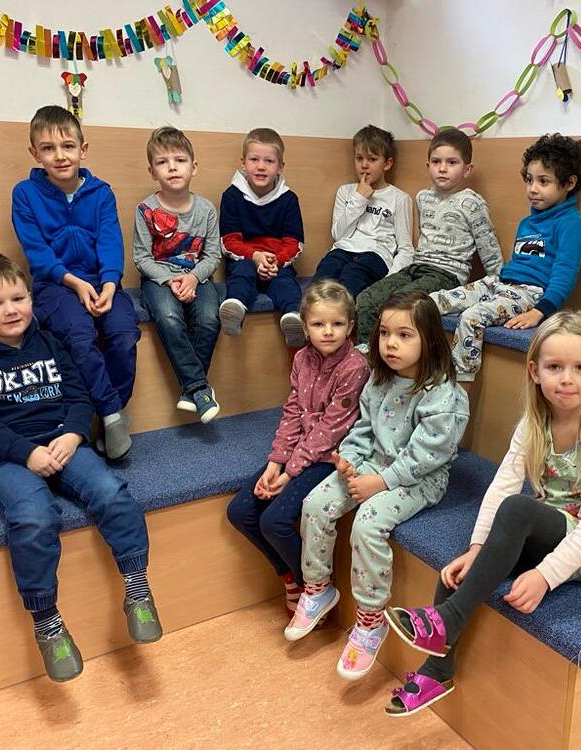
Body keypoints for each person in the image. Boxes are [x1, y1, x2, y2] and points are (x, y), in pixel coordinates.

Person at [383, 311, 581, 715]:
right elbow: (503, 483)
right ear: (535, 371)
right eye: (555, 367)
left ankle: (446, 620)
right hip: (546, 527)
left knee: (518, 509)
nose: (567, 379)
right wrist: (476, 549)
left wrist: (545, 576)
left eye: (579, 368)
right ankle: (437, 670)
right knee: (457, 574)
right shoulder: (535, 422)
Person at [0, 250, 161, 683]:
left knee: (111, 492)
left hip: (62, 442)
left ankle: (138, 590)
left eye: (18, 298)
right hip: (6, 456)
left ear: (31, 298)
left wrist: (73, 434)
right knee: (33, 516)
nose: (11, 310)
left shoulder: (49, 342)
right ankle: (47, 624)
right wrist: (26, 453)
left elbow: (79, 397)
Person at [284, 292, 470, 682]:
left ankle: (371, 620)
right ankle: (317, 588)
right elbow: (363, 430)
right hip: (374, 463)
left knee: (368, 523)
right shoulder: (379, 380)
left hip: (419, 479)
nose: (390, 344)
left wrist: (380, 483)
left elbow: (426, 456)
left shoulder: (444, 395)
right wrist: (349, 458)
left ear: (429, 339)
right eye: (384, 333)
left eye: (404, 335)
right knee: (315, 503)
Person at [226, 279, 369, 616]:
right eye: (318, 324)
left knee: (274, 521)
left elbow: (329, 431)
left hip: (329, 457)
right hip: (298, 454)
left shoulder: (355, 367)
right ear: (305, 327)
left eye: (337, 324)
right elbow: (292, 412)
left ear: (350, 326)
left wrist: (288, 475)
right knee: (240, 511)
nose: (328, 332)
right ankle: (291, 576)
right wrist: (275, 463)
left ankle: (316, 587)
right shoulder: (303, 358)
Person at [12, 105, 139, 460]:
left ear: (83, 149)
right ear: (34, 153)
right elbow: (36, 251)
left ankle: (113, 413)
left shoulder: (101, 193)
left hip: (102, 280)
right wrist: (74, 283)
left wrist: (110, 284)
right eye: (48, 148)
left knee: (124, 334)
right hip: (55, 284)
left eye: (68, 146)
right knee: (80, 337)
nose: (60, 156)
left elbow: (111, 241)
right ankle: (111, 415)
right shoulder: (25, 193)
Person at [432, 133, 581, 383]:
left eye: (543, 181)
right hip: (499, 283)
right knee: (432, 302)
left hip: (530, 294)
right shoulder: (527, 222)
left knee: (471, 317)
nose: (532, 189)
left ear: (569, 183)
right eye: (529, 180)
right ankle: (423, 374)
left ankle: (458, 390)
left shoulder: (572, 225)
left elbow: (564, 276)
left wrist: (539, 311)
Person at [354, 128, 503, 345]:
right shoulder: (423, 197)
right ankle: (368, 357)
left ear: (467, 169)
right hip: (416, 267)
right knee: (366, 299)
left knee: (400, 304)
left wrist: (499, 286)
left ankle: (397, 359)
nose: (442, 168)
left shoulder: (472, 203)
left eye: (452, 162)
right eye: (436, 162)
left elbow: (489, 248)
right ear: (428, 166)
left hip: (447, 274)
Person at [133, 126, 222, 423]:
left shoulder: (206, 210)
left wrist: (193, 278)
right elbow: (141, 258)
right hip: (159, 279)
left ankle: (189, 391)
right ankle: (199, 388)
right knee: (169, 317)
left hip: (198, 275)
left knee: (209, 317)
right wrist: (170, 280)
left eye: (180, 160)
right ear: (152, 171)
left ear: (193, 167)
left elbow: (213, 255)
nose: (172, 167)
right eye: (162, 162)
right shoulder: (145, 209)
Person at [218, 128, 307, 348]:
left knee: (286, 283)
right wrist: (255, 256)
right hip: (245, 260)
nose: (261, 166)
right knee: (241, 274)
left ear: (280, 166)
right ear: (243, 162)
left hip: (277, 263)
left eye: (269, 161)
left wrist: (276, 261)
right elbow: (229, 241)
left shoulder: (288, 199)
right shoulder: (232, 196)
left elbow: (294, 242)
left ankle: (293, 318)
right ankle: (235, 308)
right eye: (254, 159)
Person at [312, 124, 413, 296]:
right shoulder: (345, 191)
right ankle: (308, 311)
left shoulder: (400, 198)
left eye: (372, 159)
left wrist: (390, 279)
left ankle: (341, 313)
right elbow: (338, 235)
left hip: (376, 255)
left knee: (352, 276)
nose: (364, 165)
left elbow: (406, 248)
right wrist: (359, 198)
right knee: (324, 275)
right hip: (343, 250)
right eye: (359, 158)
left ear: (387, 164)